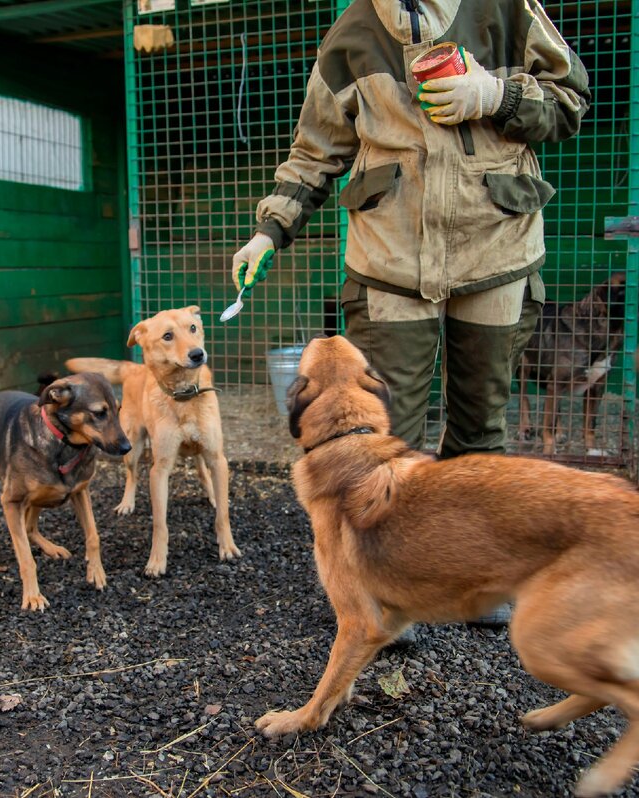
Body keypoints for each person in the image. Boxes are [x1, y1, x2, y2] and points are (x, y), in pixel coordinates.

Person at [232, 0, 591, 626]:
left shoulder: (504, 10)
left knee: (480, 433)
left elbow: (569, 102)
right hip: (388, 258)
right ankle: (383, 597)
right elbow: (316, 149)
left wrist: (493, 94)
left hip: (496, 244)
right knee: (380, 442)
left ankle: (473, 579)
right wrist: (270, 229)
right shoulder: (352, 33)